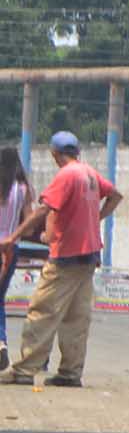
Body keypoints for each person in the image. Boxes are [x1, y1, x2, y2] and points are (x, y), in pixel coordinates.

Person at [5, 132, 123, 388]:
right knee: (76, 318)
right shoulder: (89, 173)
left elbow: (44, 209)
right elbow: (115, 196)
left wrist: (13, 235)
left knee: (42, 311)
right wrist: (96, 219)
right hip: (89, 256)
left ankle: (24, 369)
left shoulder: (66, 175)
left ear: (55, 154)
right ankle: (70, 372)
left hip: (66, 256)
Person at [0, 146, 29, 370]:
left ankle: (0, 343)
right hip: (11, 248)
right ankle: (1, 343)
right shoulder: (23, 189)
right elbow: (28, 226)